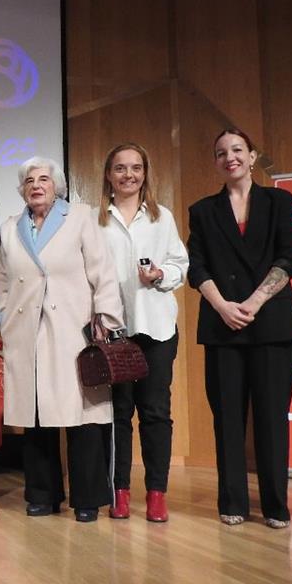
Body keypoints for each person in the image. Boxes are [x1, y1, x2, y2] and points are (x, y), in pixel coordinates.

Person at [0, 157, 122, 522]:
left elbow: (104, 272)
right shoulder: (11, 227)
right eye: (29, 180)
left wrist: (107, 318)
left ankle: (87, 498)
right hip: (26, 332)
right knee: (36, 417)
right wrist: (2, 316)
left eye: (44, 179)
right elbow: (0, 278)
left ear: (57, 185)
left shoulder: (80, 217)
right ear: (21, 190)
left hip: (74, 330)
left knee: (82, 416)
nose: (36, 185)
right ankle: (42, 494)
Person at [187, 128, 292, 528]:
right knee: (228, 418)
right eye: (221, 152)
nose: (230, 157)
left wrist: (252, 303)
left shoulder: (279, 201)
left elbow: (291, 257)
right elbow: (196, 266)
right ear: (215, 161)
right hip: (222, 325)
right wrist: (222, 305)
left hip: (271, 323)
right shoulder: (202, 210)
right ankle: (232, 500)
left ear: (252, 156)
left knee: (272, 418)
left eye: (237, 150)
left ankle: (275, 505)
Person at [96, 143, 188, 522]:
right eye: (120, 168)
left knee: (155, 413)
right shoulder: (95, 219)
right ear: (108, 174)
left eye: (136, 168)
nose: (128, 175)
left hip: (156, 327)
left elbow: (180, 264)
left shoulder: (161, 217)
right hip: (114, 331)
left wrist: (160, 275)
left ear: (145, 173)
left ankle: (156, 494)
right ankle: (119, 492)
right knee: (118, 414)